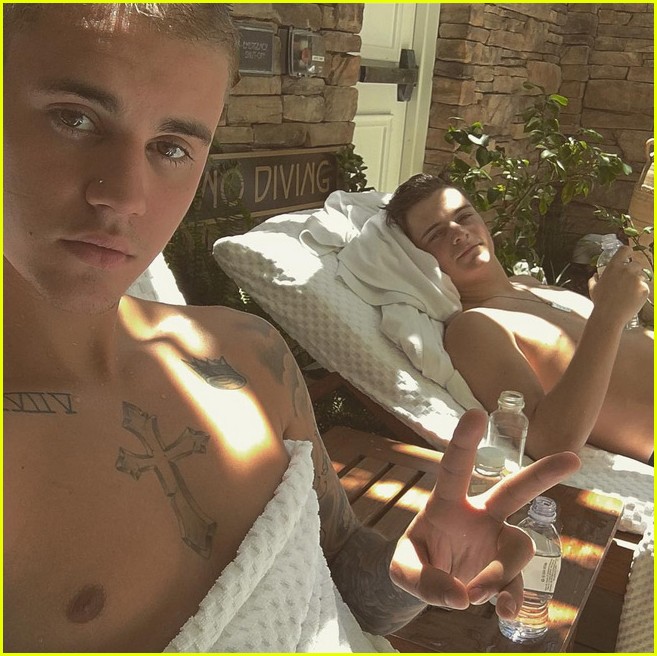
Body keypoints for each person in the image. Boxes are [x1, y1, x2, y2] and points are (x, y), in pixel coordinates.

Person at [3, 5, 581, 652]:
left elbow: (338, 574)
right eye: (74, 119)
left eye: (171, 148)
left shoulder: (247, 354)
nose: (125, 195)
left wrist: (415, 571)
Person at [385, 174, 653, 464]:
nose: (458, 233)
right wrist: (608, 315)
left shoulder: (528, 285)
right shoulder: (473, 326)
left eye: (463, 216)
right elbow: (548, 442)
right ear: (417, 259)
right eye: (435, 234)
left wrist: (616, 307)